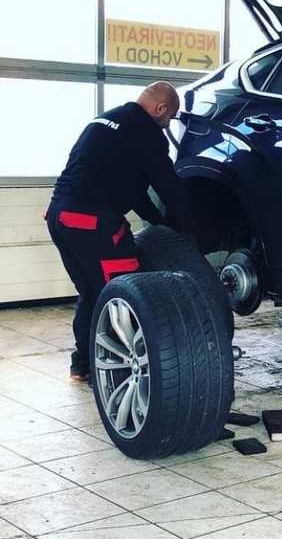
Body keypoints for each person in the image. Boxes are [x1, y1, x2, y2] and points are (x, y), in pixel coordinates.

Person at [46, 82, 194, 382]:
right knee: (125, 295)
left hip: (59, 215)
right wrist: (188, 227)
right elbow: (168, 185)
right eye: (169, 117)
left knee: (92, 292)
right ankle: (122, 371)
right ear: (160, 108)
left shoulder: (105, 120)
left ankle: (83, 365)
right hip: (92, 222)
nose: (168, 125)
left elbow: (134, 192)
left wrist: (159, 222)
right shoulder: (146, 132)